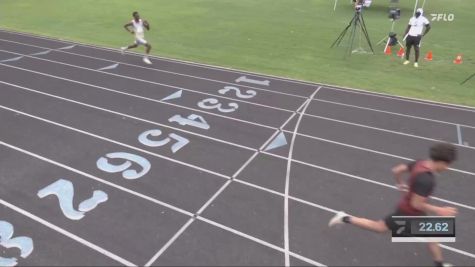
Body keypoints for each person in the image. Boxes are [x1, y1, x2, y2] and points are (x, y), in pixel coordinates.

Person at [329, 142, 458, 267]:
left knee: (435, 233)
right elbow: (416, 204)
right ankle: (344, 218)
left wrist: (400, 183)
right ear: (441, 162)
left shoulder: (420, 163)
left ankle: (440, 264)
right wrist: (439, 210)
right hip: (408, 212)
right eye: (447, 165)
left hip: (411, 209)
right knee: (379, 227)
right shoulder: (426, 180)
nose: (447, 168)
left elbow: (397, 170)